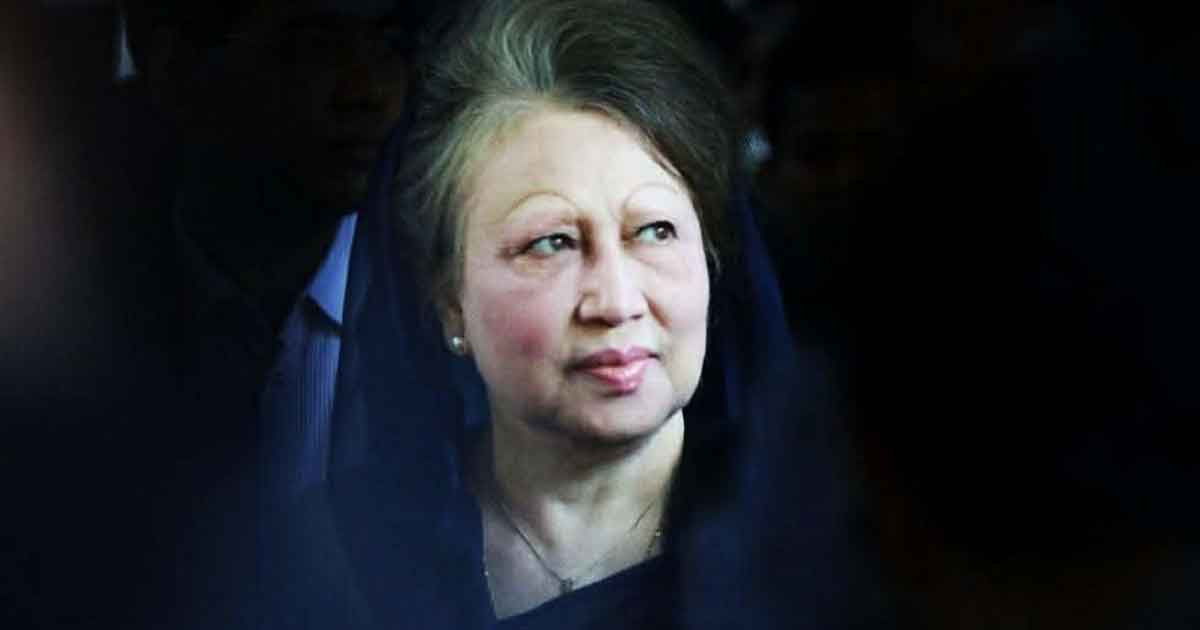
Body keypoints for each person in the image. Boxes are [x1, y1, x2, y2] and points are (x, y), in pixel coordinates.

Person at [274, 1, 878, 628]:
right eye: (551, 243)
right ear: (449, 300)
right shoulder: (330, 557)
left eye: (655, 231)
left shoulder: (827, 551)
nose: (616, 302)